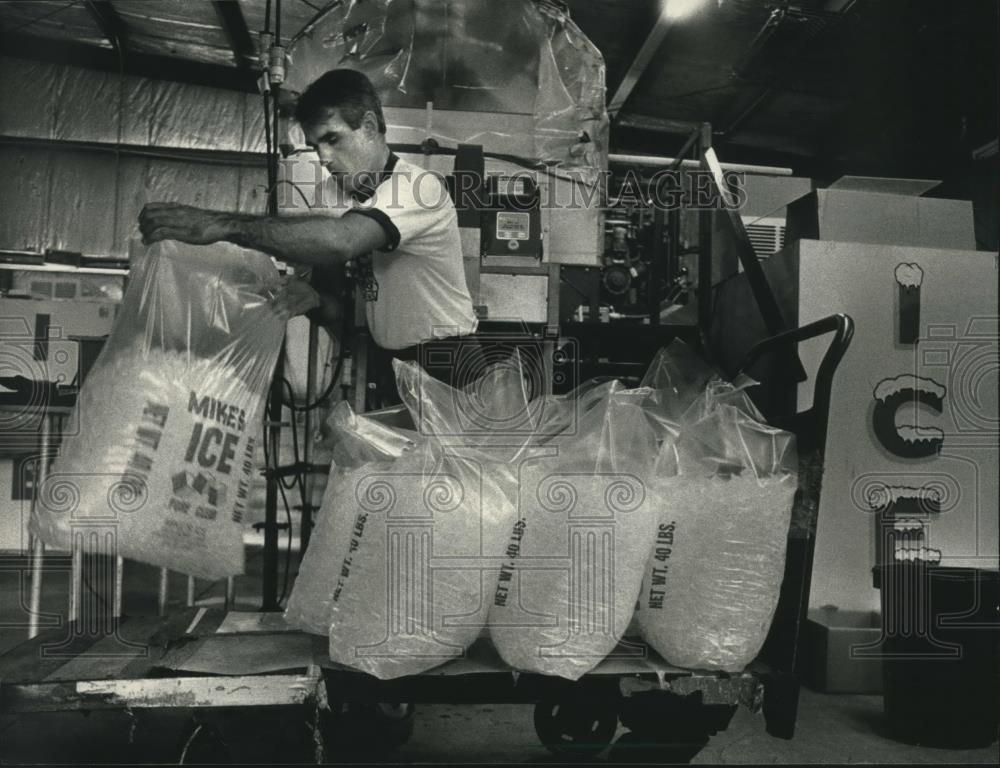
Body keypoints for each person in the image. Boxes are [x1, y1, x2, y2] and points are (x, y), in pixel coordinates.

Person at [139, 68, 482, 406]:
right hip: (389, 361)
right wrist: (313, 300)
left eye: (332, 139)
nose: (323, 158)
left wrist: (224, 226)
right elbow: (334, 305)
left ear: (369, 127)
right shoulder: (331, 193)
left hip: (447, 363)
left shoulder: (419, 189)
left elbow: (342, 240)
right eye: (316, 145)